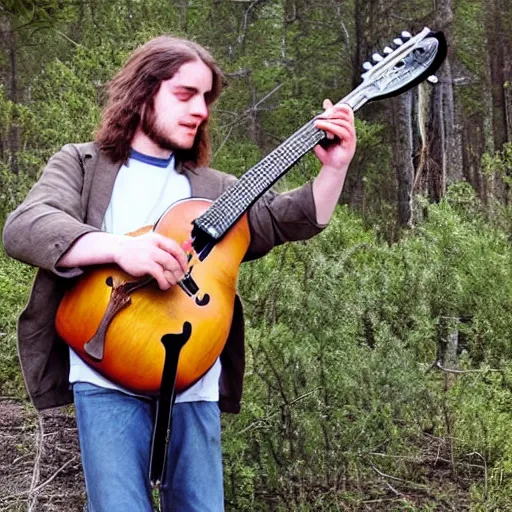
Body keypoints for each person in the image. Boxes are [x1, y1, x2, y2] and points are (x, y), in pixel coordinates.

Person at [2, 35, 356, 511]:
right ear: (142, 92)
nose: (201, 110)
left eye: (206, 98)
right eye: (185, 94)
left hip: (193, 376)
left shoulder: (216, 188)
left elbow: (285, 217)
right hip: (106, 368)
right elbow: (26, 227)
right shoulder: (83, 165)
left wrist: (333, 170)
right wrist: (122, 249)